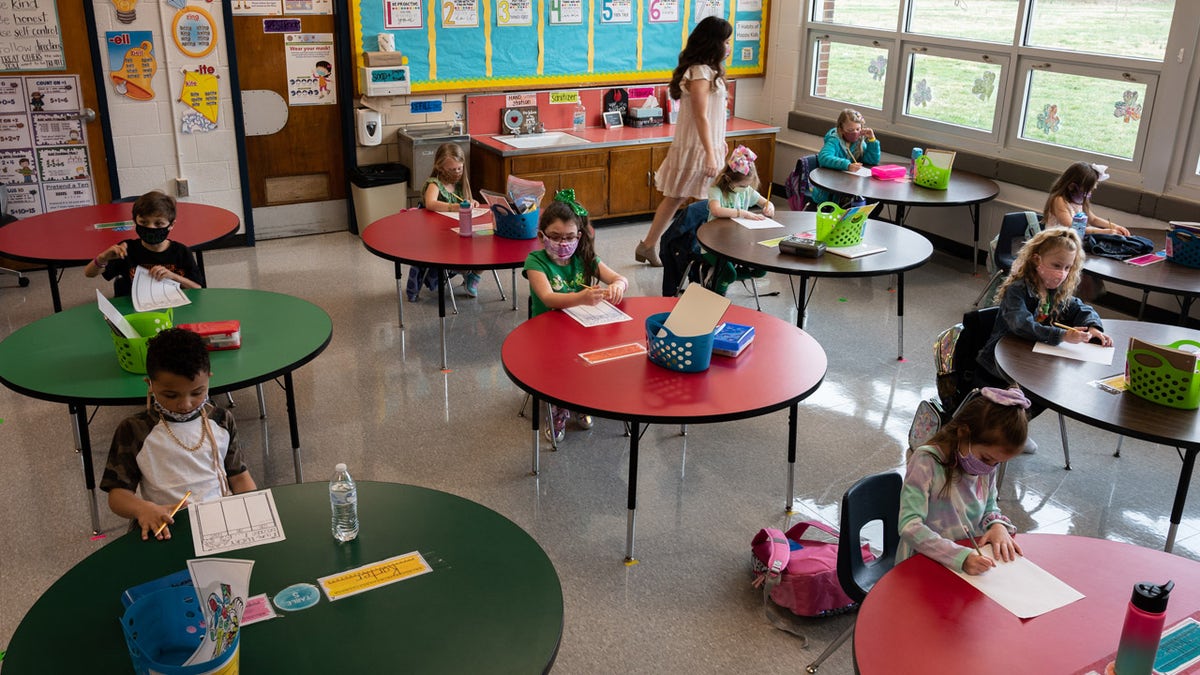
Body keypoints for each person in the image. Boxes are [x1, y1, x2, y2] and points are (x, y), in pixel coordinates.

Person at [100, 328, 257, 541]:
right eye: (170, 395)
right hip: (166, 528)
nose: (185, 404)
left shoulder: (221, 419)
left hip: (219, 523)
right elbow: (117, 495)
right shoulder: (135, 429)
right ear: (150, 384)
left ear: (208, 380)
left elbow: (239, 477)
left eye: (197, 392)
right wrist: (142, 509)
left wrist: (254, 512)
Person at [524, 194, 628, 441]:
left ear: (578, 237)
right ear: (542, 236)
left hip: (582, 328)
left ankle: (581, 398)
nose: (563, 243)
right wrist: (581, 298)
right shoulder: (535, 261)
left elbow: (620, 278)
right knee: (562, 361)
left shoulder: (584, 257)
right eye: (556, 237)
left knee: (595, 356)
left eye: (570, 237)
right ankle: (560, 405)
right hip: (547, 332)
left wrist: (617, 287)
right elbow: (548, 298)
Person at [634, 16, 733, 267]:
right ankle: (694, 248)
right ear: (714, 43)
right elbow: (700, 115)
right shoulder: (699, 72)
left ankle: (652, 245)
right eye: (726, 41)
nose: (729, 46)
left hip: (707, 144)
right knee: (694, 198)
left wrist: (719, 143)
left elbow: (713, 114)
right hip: (697, 146)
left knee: (682, 197)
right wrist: (711, 152)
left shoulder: (710, 70)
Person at [898, 388, 1029, 575]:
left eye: (997, 463)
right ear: (963, 433)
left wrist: (997, 525)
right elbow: (909, 526)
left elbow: (990, 506)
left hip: (967, 563)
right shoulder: (926, 461)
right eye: (986, 459)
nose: (989, 468)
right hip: (922, 563)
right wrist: (959, 557)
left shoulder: (986, 466)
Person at [84, 191, 202, 297]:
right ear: (135, 221)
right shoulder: (126, 249)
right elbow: (89, 273)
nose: (150, 227)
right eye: (143, 222)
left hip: (172, 305)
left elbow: (198, 288)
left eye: (159, 224)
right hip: (135, 306)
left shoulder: (181, 252)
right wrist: (102, 258)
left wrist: (173, 277)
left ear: (171, 225)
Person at [409, 143, 482, 301]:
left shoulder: (460, 185)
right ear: (440, 167)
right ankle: (466, 269)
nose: (456, 173)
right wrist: (454, 207)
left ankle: (474, 275)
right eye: (452, 169)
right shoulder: (434, 184)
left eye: (459, 169)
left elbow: (466, 200)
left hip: (461, 233)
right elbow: (431, 203)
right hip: (441, 238)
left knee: (486, 245)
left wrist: (473, 202)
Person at [704, 144, 772, 294]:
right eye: (742, 185)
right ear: (729, 178)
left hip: (737, 243)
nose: (745, 188)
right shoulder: (716, 190)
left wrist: (769, 206)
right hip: (712, 243)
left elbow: (764, 202)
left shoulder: (746, 190)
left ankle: (717, 276)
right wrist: (743, 213)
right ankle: (716, 291)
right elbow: (716, 210)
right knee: (730, 273)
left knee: (761, 269)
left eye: (747, 186)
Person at [811, 108, 881, 207]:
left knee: (874, 205)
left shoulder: (859, 142)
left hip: (851, 189)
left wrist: (872, 140)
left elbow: (872, 160)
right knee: (860, 206)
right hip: (830, 193)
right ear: (841, 129)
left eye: (858, 129)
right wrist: (847, 165)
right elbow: (823, 157)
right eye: (850, 130)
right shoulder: (834, 141)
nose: (855, 133)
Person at [1044, 162, 1130, 236]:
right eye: (1087, 191)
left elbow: (1093, 219)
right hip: (1055, 242)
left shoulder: (1079, 201)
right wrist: (1102, 231)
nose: (1089, 194)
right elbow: (1072, 227)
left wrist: (1114, 226)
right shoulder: (1059, 200)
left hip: (1072, 241)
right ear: (1072, 187)